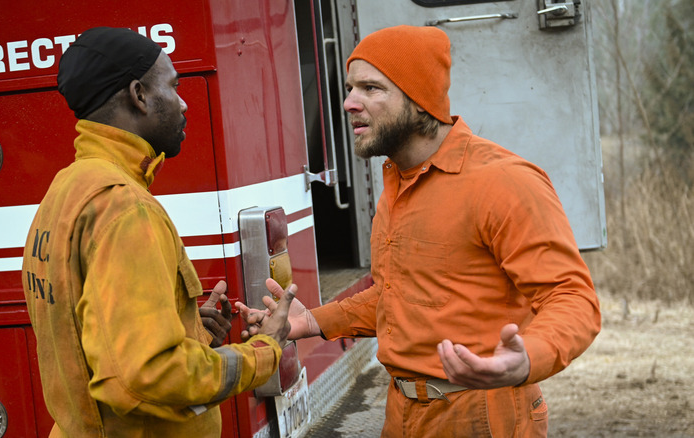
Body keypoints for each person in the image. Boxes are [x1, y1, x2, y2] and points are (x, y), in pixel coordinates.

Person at [238, 25, 601, 437]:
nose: (348, 103)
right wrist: (312, 322)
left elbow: (572, 297)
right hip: (402, 411)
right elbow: (401, 293)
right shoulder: (396, 180)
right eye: (350, 88)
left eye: (371, 89)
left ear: (420, 99)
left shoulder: (503, 182)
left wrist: (527, 360)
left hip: (480, 414)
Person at [21, 27, 293, 437]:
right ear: (139, 95)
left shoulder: (67, 188)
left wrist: (189, 331)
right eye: (173, 86)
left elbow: (99, 342)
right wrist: (263, 351)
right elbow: (147, 377)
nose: (184, 103)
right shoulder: (126, 208)